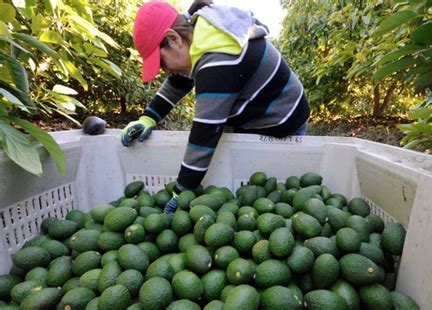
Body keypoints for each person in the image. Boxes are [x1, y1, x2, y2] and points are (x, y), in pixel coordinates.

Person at [121, 0, 310, 214]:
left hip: (281, 120)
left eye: (162, 63)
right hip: (254, 114)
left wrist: (182, 191)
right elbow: (178, 81)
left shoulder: (219, 62)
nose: (165, 71)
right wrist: (148, 117)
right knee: (248, 194)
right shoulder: (203, 33)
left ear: (173, 38)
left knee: (272, 194)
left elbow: (205, 133)